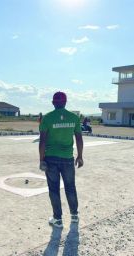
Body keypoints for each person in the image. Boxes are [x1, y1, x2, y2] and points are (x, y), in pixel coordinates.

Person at [39, 91, 84, 228]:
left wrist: (41, 160)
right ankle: (74, 215)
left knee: (54, 189)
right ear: (65, 102)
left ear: (53, 103)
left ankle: (57, 219)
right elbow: (79, 138)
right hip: (68, 159)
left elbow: (42, 141)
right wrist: (80, 156)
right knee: (70, 187)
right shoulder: (74, 118)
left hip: (51, 159)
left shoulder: (47, 118)